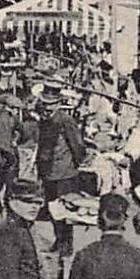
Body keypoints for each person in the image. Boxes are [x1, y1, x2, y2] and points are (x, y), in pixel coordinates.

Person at [36, 90, 85, 264]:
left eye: (50, 104)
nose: (47, 107)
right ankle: (58, 239)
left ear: (58, 103)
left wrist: (78, 163)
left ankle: (66, 245)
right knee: (53, 209)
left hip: (64, 172)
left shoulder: (66, 121)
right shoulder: (45, 120)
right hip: (49, 172)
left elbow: (77, 144)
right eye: (45, 104)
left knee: (65, 210)